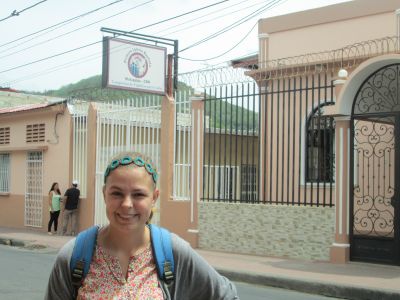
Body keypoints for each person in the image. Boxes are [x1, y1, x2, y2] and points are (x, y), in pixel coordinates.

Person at [45, 151, 239, 300]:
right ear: (104, 194)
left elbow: (226, 295)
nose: (127, 204)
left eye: (138, 194)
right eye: (117, 193)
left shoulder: (172, 252)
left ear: (154, 198)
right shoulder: (74, 256)